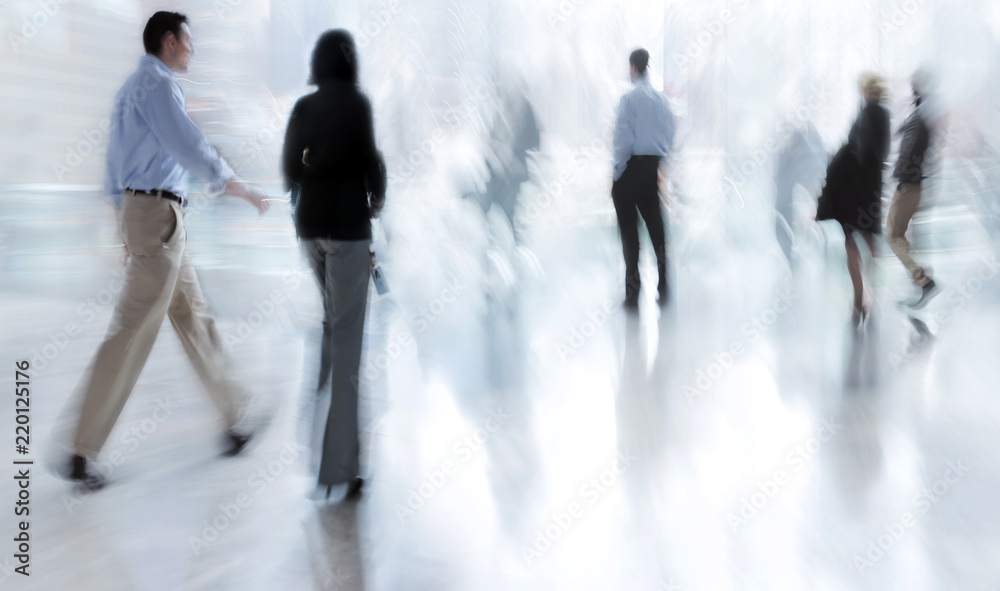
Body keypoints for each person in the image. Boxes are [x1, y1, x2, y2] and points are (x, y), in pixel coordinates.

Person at [65, 11, 271, 488]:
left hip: (155, 218)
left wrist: (122, 220)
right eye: (188, 42)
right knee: (132, 329)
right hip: (158, 218)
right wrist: (234, 184)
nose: (193, 50)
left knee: (195, 318)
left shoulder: (129, 89)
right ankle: (80, 449)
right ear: (170, 41)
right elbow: (188, 144)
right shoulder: (158, 85)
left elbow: (114, 162)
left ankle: (235, 419)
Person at [282, 29, 386, 500]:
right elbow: (370, 162)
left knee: (331, 329)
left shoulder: (303, 109)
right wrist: (376, 196)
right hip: (347, 230)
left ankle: (317, 427)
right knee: (348, 346)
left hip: (311, 232)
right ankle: (338, 467)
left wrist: (315, 172)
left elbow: (288, 171)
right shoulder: (358, 105)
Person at [816, 73, 890, 326]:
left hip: (855, 187)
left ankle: (860, 299)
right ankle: (872, 296)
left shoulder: (870, 113)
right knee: (868, 240)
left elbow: (857, 149)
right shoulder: (880, 114)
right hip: (868, 188)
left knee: (853, 241)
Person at [612, 48, 676, 310]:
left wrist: (617, 175)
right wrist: (661, 165)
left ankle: (633, 293)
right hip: (651, 170)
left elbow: (622, 140)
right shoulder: (662, 101)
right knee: (657, 231)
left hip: (629, 169)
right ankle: (664, 286)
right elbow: (670, 136)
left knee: (630, 234)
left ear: (633, 68)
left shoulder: (629, 99)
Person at [888, 70, 938, 308]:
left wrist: (901, 178)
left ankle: (923, 281)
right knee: (905, 238)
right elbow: (901, 132)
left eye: (913, 83)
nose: (910, 87)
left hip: (909, 184)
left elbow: (910, 148)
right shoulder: (921, 110)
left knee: (893, 235)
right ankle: (919, 286)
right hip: (915, 182)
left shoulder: (921, 114)